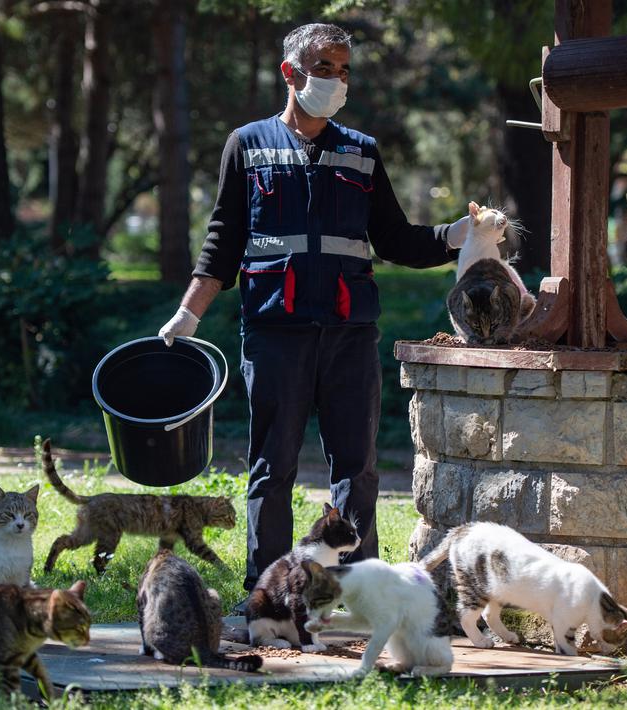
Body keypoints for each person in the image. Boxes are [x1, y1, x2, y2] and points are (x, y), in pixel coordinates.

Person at [158, 22, 470, 599]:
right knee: (272, 468)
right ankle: (269, 593)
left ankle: (358, 591)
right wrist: (188, 314)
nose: (336, 79)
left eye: (344, 69)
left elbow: (396, 240)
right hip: (276, 331)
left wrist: (455, 234)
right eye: (324, 67)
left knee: (358, 470)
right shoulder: (247, 145)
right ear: (290, 73)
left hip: (350, 333)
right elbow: (223, 240)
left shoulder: (362, 152)